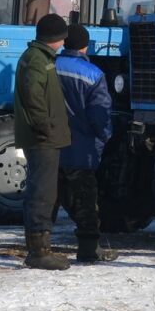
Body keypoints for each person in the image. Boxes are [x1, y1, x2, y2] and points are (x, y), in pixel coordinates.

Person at [13, 12, 73, 270]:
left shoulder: (39, 58)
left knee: (42, 191)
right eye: (61, 39)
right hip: (42, 137)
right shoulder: (38, 61)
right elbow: (34, 98)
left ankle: (40, 247)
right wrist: (45, 127)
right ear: (54, 38)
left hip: (44, 135)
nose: (63, 43)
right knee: (42, 193)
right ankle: (39, 251)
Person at [55, 23, 116, 264]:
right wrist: (105, 136)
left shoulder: (50, 68)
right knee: (86, 200)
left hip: (51, 147)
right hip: (82, 149)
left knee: (50, 197)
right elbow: (100, 115)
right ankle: (89, 248)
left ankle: (40, 245)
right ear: (85, 45)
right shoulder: (93, 74)